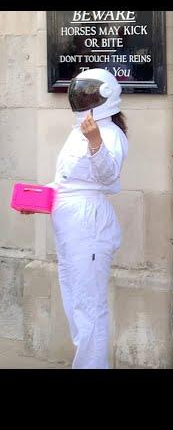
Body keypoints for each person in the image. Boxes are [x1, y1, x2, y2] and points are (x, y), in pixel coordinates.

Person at [22, 69, 128, 368]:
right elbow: (66, 180)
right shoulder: (78, 129)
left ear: (105, 96)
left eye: (89, 94)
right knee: (74, 302)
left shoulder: (110, 134)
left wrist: (95, 142)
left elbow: (108, 176)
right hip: (70, 222)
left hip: (88, 222)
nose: (82, 100)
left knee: (89, 306)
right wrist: (39, 199)